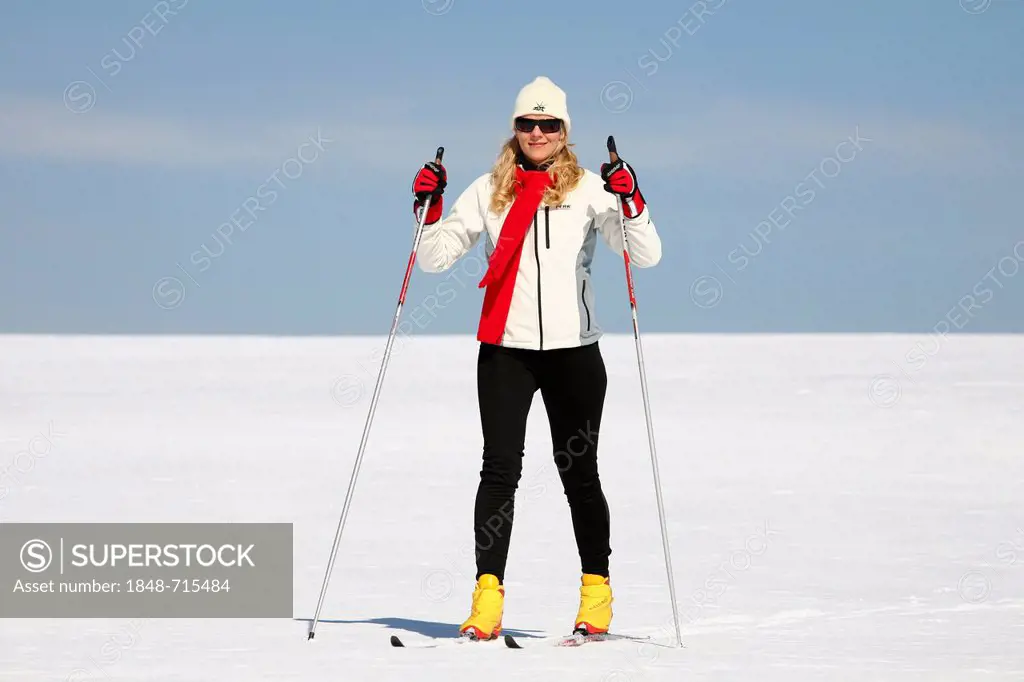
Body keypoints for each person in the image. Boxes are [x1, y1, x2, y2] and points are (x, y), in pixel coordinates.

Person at [409, 76, 662, 640]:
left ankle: (596, 593)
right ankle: (487, 599)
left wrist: (632, 198)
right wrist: (427, 208)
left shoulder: (592, 190)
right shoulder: (488, 190)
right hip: (506, 351)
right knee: (500, 472)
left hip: (574, 353)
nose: (538, 133)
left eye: (550, 125)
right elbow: (432, 259)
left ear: (565, 131)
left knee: (579, 473)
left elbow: (643, 255)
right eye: (528, 123)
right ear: (515, 129)